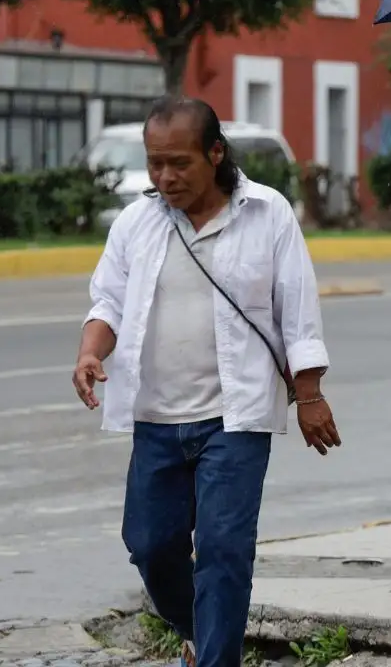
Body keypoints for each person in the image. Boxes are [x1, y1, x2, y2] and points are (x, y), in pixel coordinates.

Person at [73, 96, 341, 667]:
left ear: (215, 153)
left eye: (179, 163)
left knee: (223, 549)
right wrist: (90, 353)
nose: (165, 177)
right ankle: (202, 630)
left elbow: (297, 313)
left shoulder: (268, 215)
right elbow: (108, 302)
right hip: (156, 418)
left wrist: (310, 396)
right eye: (154, 164)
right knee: (149, 545)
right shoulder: (136, 222)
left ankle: (217, 658)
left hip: (236, 419)